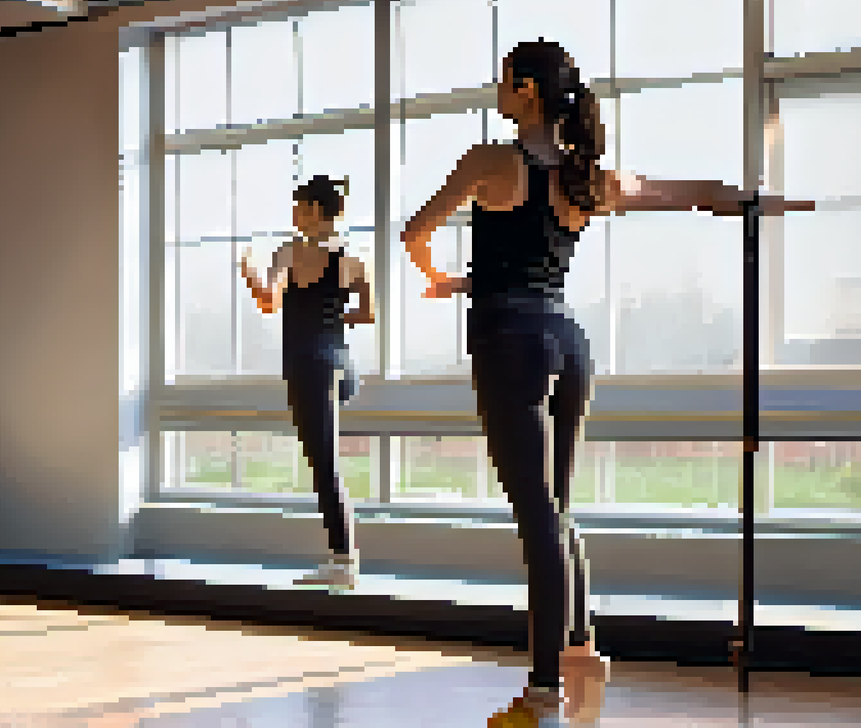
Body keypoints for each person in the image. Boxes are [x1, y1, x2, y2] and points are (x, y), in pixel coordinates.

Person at [401, 39, 813, 726]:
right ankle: (582, 649)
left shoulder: (491, 161)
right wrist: (756, 203)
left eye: (503, 81)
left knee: (538, 521)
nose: (495, 92)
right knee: (557, 509)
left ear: (526, 91)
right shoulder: (588, 179)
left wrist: (443, 278)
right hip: (568, 342)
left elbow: (415, 230)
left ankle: (539, 697)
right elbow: (686, 194)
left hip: (511, 345)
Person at [238, 175, 374, 589]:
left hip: (308, 366)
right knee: (325, 459)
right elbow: (368, 314)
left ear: (315, 210)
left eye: (298, 206)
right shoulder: (353, 259)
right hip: (340, 365)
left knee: (324, 463)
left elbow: (269, 300)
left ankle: (343, 560)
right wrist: (333, 318)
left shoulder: (289, 253)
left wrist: (247, 271)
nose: (294, 214)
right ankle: (342, 558)